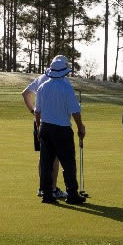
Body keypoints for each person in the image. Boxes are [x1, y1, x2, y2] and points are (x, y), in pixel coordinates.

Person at [34, 55, 87, 204]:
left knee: (46, 163)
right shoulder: (66, 88)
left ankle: (47, 194)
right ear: (64, 72)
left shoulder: (42, 87)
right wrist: (80, 127)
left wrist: (39, 129)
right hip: (62, 129)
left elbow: (37, 112)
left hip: (45, 127)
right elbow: (75, 111)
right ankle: (72, 194)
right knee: (68, 163)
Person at [22, 69, 66, 199]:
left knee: (44, 156)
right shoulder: (61, 81)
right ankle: (51, 189)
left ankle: (43, 188)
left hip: (39, 121)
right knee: (55, 157)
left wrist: (34, 112)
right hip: (54, 123)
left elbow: (25, 94)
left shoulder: (41, 78)